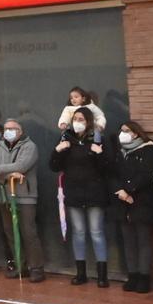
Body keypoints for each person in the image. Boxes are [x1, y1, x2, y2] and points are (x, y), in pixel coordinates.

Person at [52, 106, 109, 286]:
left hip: (94, 192)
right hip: (74, 192)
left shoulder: (98, 139)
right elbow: (53, 166)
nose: (77, 122)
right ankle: (81, 273)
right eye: (75, 119)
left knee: (97, 232)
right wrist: (58, 150)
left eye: (81, 119)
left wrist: (99, 154)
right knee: (78, 232)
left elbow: (107, 168)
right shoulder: (65, 139)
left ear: (89, 121)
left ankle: (102, 275)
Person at [0, 119, 45, 281]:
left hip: (25, 196)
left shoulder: (29, 146)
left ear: (20, 131)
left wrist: (0, 170)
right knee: (11, 232)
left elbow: (22, 166)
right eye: (6, 129)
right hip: (5, 194)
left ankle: (37, 268)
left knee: (28, 232)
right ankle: (21, 265)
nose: (8, 132)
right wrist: (10, 173)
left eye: (12, 128)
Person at [107, 121, 153, 293]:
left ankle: (144, 277)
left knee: (143, 239)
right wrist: (120, 191)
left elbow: (147, 174)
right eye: (121, 130)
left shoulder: (148, 150)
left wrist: (130, 190)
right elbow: (112, 174)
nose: (122, 133)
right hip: (122, 201)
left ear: (136, 133)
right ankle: (133, 275)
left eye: (126, 131)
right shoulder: (119, 152)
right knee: (128, 241)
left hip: (141, 200)